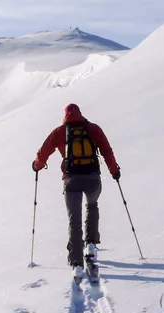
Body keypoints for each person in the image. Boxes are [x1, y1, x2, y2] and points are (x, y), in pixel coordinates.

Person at [32, 103, 120, 280]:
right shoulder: (93, 129)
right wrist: (114, 171)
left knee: (74, 220)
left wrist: (37, 165)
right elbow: (107, 151)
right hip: (93, 178)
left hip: (71, 179)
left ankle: (77, 263)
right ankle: (91, 244)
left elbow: (44, 152)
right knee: (92, 205)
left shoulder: (60, 132)